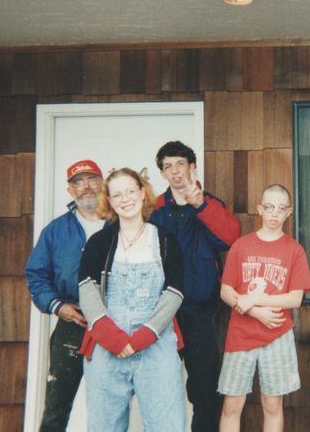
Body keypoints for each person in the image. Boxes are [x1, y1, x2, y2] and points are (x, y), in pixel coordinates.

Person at [78, 168, 186, 432]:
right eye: (117, 194)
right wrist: (111, 337)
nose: (125, 199)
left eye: (130, 191)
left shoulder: (165, 239)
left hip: (156, 347)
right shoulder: (99, 242)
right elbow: (87, 290)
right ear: (110, 201)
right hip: (107, 348)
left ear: (142, 192)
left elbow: (174, 292)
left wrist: (144, 336)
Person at [150, 140, 241, 432]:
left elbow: (229, 238)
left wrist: (200, 205)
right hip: (162, 312)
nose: (174, 171)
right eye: (167, 166)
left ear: (192, 167)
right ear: (162, 174)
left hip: (200, 311)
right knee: (160, 387)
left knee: (204, 389)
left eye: (180, 164)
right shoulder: (153, 209)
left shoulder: (210, 202)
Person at [218, 184, 310, 432]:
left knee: (272, 404)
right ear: (260, 209)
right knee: (231, 404)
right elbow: (226, 291)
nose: (274, 213)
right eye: (269, 207)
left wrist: (254, 299)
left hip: (277, 335)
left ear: (289, 212)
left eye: (281, 208)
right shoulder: (240, 246)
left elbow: (295, 299)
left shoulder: (294, 250)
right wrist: (254, 310)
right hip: (240, 335)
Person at [24, 160, 106, 432]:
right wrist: (58, 307)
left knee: (111, 406)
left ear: (102, 184)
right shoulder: (56, 230)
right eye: (79, 182)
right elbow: (36, 274)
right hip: (73, 323)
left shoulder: (120, 224)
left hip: (113, 323)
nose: (87, 187)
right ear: (70, 190)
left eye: (92, 179)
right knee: (56, 406)